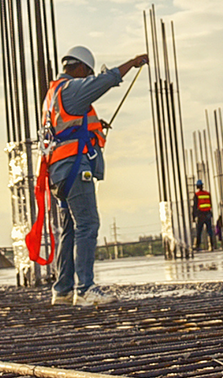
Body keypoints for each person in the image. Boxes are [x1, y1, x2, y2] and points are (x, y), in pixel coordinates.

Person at [42, 44, 147, 307]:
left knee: (69, 228)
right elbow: (105, 81)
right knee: (88, 225)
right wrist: (131, 62)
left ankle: (63, 289)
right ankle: (85, 288)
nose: (87, 78)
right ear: (79, 68)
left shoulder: (53, 93)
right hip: (75, 168)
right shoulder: (72, 88)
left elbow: (68, 127)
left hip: (59, 171)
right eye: (86, 73)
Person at [192, 180, 215, 251]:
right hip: (207, 213)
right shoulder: (207, 194)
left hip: (201, 215)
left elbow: (195, 206)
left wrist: (193, 216)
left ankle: (197, 246)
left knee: (199, 231)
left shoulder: (197, 194)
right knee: (209, 231)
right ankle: (211, 245)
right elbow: (210, 204)